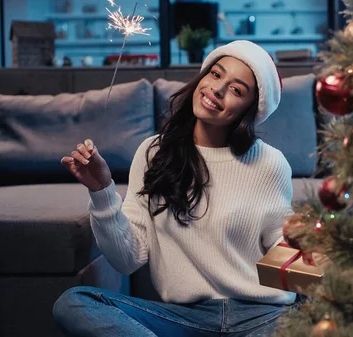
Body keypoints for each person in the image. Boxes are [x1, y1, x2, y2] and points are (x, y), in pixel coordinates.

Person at [53, 40, 297, 337]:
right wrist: (102, 191)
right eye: (216, 75)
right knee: (74, 303)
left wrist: (309, 248)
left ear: (249, 109)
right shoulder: (153, 153)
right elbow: (127, 259)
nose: (217, 90)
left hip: (261, 318)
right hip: (184, 319)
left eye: (236, 90)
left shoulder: (270, 163)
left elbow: (282, 249)